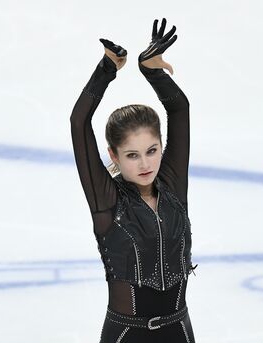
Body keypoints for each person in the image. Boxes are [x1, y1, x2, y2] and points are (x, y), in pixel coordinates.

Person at [70, 18, 197, 343]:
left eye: (152, 151)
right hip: (127, 335)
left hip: (178, 330)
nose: (145, 163)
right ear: (114, 156)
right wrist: (106, 69)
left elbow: (179, 110)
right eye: (132, 155)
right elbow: (78, 122)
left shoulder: (171, 186)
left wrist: (152, 71)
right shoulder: (107, 200)